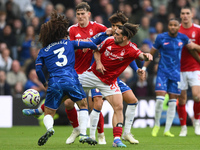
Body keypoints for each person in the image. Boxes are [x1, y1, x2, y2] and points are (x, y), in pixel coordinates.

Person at [79, 23, 152, 147]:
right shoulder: (109, 41)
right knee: (69, 87)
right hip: (93, 75)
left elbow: (141, 55)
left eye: (117, 34)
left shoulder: (131, 49)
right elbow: (96, 50)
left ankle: (117, 139)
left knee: (118, 107)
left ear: (124, 38)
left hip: (109, 81)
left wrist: (146, 56)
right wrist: (98, 63)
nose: (114, 35)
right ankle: (44, 109)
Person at [35, 10, 98, 146]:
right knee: (83, 105)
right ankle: (83, 134)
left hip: (54, 82)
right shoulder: (70, 43)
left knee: (49, 111)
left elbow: (38, 69)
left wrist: (44, 83)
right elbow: (90, 44)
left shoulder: (43, 50)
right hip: (71, 79)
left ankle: (50, 128)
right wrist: (95, 48)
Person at [88, 11, 144, 144]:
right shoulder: (106, 36)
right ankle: (95, 136)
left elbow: (129, 56)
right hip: (96, 75)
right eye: (113, 25)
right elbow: (91, 46)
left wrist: (137, 69)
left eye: (117, 26)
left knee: (132, 100)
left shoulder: (122, 39)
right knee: (98, 103)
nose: (114, 29)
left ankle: (126, 133)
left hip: (112, 78)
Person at [143, 18, 200, 137]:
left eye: (175, 25)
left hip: (175, 74)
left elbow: (192, 51)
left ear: (178, 27)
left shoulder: (183, 38)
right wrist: (144, 68)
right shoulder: (161, 38)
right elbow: (151, 53)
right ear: (167, 26)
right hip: (162, 72)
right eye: (170, 25)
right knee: (159, 100)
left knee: (173, 102)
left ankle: (167, 130)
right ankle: (157, 124)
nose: (173, 27)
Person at [177, 6, 200, 137]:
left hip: (195, 67)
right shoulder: (176, 30)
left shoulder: (197, 30)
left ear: (192, 15)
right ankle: (184, 127)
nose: (185, 15)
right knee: (181, 100)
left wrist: (195, 46)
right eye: (183, 13)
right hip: (179, 69)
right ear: (180, 15)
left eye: (187, 13)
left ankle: (197, 123)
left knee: (197, 96)